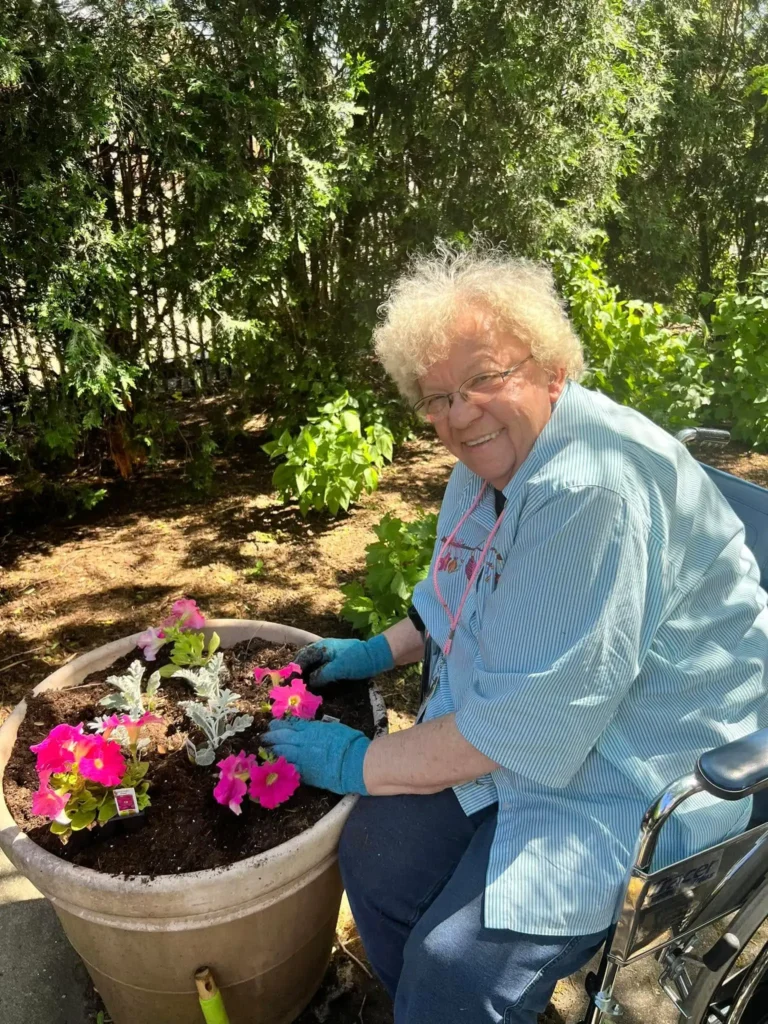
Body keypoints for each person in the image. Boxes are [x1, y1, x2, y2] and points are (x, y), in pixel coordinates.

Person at [263, 244, 768, 1024]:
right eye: (436, 398)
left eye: (484, 379)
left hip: (636, 767)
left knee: (455, 964)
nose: (459, 414)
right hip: (531, 723)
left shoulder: (589, 491)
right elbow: (458, 591)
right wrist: (377, 651)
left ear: (552, 367)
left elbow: (526, 723)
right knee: (374, 855)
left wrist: (362, 760)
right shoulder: (487, 460)